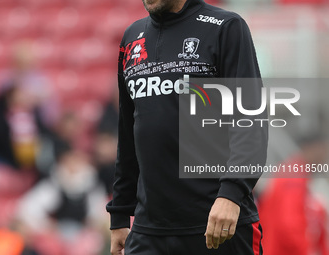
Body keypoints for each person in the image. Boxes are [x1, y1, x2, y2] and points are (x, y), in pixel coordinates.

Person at [106, 0, 268, 254]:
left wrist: (231, 195)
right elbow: (128, 135)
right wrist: (119, 214)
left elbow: (250, 122)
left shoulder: (226, 27)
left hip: (217, 225)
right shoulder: (131, 38)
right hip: (150, 231)